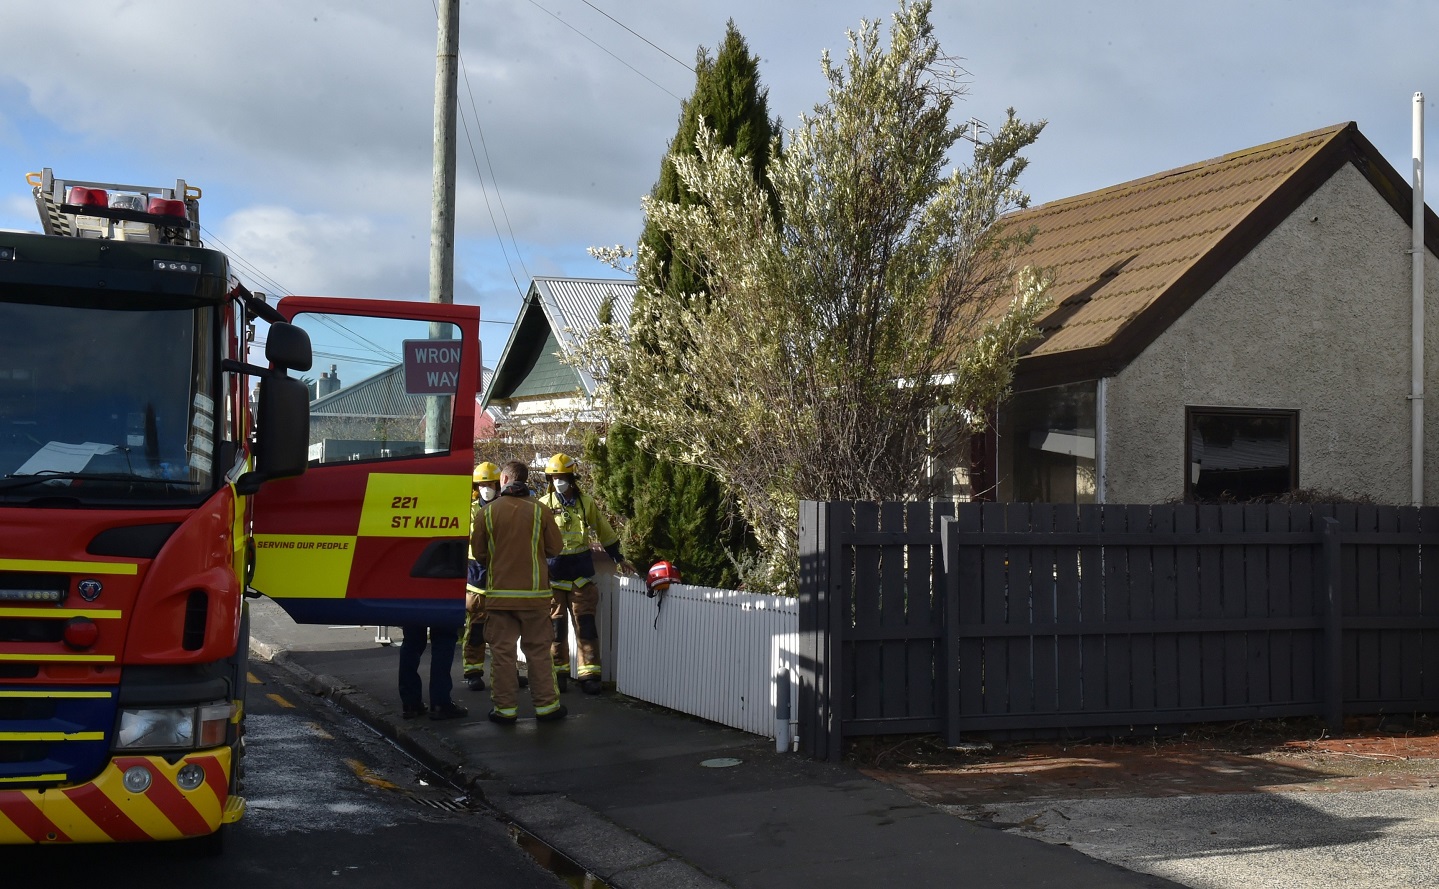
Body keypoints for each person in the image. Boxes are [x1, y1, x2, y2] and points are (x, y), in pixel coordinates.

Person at [469, 459, 566, 724]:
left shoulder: (487, 513)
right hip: (534, 598)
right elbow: (555, 549)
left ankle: (505, 710)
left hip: (500, 597)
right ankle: (547, 708)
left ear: (504, 480)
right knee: (538, 653)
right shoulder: (541, 511)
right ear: (526, 480)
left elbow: (478, 554)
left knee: (502, 655)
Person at [539, 452, 634, 695]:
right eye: (554, 477)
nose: (558, 481)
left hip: (580, 574)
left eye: (562, 477)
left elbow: (604, 530)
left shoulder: (586, 503)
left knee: (586, 625)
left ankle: (589, 674)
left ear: (572, 478)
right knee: (556, 628)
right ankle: (558, 674)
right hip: (553, 574)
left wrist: (618, 558)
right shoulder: (542, 505)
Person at [462, 462, 501, 692]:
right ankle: (473, 671)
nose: (487, 488)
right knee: (476, 628)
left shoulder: (505, 508)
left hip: (501, 576)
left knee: (504, 631)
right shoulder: (469, 510)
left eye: (490, 484)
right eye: (483, 485)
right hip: (476, 576)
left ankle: (506, 672)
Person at [397, 621, 466, 720]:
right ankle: (440, 703)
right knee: (443, 640)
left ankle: (410, 704)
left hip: (413, 606)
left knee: (411, 642)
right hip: (442, 606)